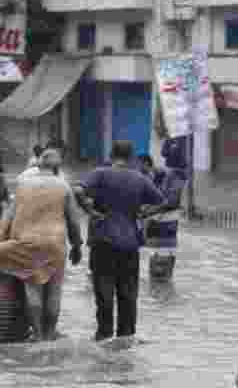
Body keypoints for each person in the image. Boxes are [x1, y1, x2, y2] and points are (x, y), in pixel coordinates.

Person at [79, 140, 170, 341]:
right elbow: (163, 202)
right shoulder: (140, 178)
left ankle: (103, 336)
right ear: (131, 158)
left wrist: (90, 211)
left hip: (103, 241)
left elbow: (78, 191)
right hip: (130, 244)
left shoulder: (99, 173)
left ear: (111, 155)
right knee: (128, 295)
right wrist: (143, 215)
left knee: (104, 292)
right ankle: (126, 338)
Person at [0, 149, 84, 340]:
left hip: (26, 241)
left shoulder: (22, 185)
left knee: (32, 288)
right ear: (58, 167)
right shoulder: (63, 186)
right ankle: (49, 333)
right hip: (55, 243)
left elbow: (8, 217)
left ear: (38, 165)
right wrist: (77, 245)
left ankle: (37, 335)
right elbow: (74, 221)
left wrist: (2, 241)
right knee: (54, 290)